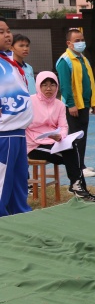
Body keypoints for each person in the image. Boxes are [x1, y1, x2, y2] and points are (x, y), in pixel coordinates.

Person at [26, 72, 95, 202]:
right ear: (38, 86)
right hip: (35, 145)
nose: (48, 88)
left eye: (52, 85)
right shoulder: (29, 102)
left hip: (53, 143)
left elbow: (63, 126)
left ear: (57, 86)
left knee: (72, 147)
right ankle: (80, 189)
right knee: (73, 157)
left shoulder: (60, 105)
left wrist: (60, 136)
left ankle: (78, 188)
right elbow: (25, 124)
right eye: (44, 85)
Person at [0, 17, 33, 217]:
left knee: (19, 182)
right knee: (3, 183)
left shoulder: (10, 61)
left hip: (19, 132)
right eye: (1, 32)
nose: (7, 35)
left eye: (8, 30)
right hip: (4, 133)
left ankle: (21, 217)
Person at [56, 28, 95, 178]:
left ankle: (81, 164)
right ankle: (77, 167)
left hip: (84, 103)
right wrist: (70, 104)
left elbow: (89, 81)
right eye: (77, 41)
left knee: (82, 136)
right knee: (75, 137)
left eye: (82, 40)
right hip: (74, 105)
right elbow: (65, 85)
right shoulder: (65, 60)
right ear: (69, 43)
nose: (81, 43)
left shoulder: (83, 59)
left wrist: (93, 101)